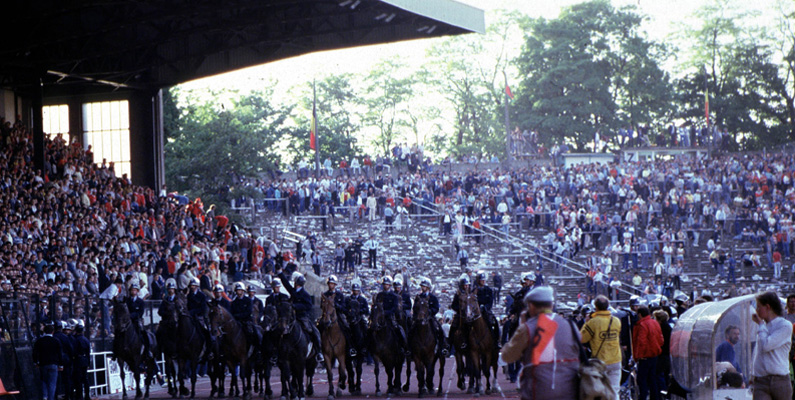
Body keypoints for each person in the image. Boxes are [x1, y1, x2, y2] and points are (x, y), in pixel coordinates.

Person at [501, 286, 579, 400]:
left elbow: (507, 356)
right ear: (551, 305)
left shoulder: (528, 328)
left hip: (538, 391)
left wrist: (522, 325)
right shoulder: (570, 325)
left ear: (531, 306)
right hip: (570, 390)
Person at [752, 291, 793, 400]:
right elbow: (758, 352)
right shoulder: (763, 327)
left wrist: (760, 325)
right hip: (761, 380)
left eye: (759, 307)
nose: (757, 311)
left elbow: (766, 345)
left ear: (767, 307)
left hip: (779, 380)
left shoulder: (784, 326)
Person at [277, 270, 324, 362]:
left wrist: (295, 306)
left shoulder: (305, 294)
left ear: (296, 283)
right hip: (291, 317)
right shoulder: (294, 291)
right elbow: (286, 284)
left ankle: (319, 352)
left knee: (315, 332)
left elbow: (308, 306)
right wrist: (280, 274)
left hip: (302, 317)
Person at [580, 295, 621, 399]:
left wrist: (587, 322)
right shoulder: (616, 321)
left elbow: (581, 338)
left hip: (600, 362)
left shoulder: (593, 322)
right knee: (614, 391)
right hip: (616, 360)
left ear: (596, 306)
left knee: (598, 392)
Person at [633, 305, 664, 400]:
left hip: (645, 356)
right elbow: (661, 339)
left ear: (640, 314)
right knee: (652, 379)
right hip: (654, 355)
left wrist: (639, 356)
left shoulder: (642, 325)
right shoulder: (654, 322)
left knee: (642, 380)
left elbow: (641, 341)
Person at [374, 276, 410, 356]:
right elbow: (376, 306)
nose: (385, 286)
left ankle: (403, 346)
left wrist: (386, 313)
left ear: (389, 286)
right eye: (384, 284)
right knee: (371, 329)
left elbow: (394, 308)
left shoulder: (394, 296)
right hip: (380, 317)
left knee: (398, 329)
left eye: (387, 284)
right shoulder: (379, 295)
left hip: (390, 316)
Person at [322, 275, 354, 356]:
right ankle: (319, 350)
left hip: (338, 315)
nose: (330, 285)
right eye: (329, 283)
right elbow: (321, 306)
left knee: (346, 327)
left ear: (335, 285)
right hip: (327, 315)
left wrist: (335, 305)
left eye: (332, 283)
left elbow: (343, 307)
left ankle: (350, 347)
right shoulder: (325, 294)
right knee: (319, 327)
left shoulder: (339, 295)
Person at [474, 270, 500, 349]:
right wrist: (477, 308)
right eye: (482, 280)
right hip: (475, 311)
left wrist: (485, 307)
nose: (483, 281)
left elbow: (490, 301)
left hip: (486, 311)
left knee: (494, 322)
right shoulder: (474, 290)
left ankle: (496, 341)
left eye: (484, 280)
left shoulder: (489, 290)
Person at [126, 283, 153, 359]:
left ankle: (148, 350)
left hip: (136, 321)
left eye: (134, 290)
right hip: (127, 321)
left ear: (137, 291)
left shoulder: (140, 301)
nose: (133, 291)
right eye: (132, 290)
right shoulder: (127, 301)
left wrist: (132, 315)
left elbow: (140, 312)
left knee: (144, 333)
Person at [53, 320, 73, 400]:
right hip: (66, 359)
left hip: (56, 360)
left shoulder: (53, 337)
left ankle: (55, 396)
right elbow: (70, 349)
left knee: (56, 379)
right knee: (67, 378)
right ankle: (68, 396)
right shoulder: (65, 337)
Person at [73, 320, 91, 400]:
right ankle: (87, 395)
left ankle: (79, 396)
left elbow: (74, 350)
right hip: (85, 360)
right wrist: (88, 363)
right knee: (85, 379)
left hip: (78, 360)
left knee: (78, 379)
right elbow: (88, 352)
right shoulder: (86, 340)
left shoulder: (75, 340)